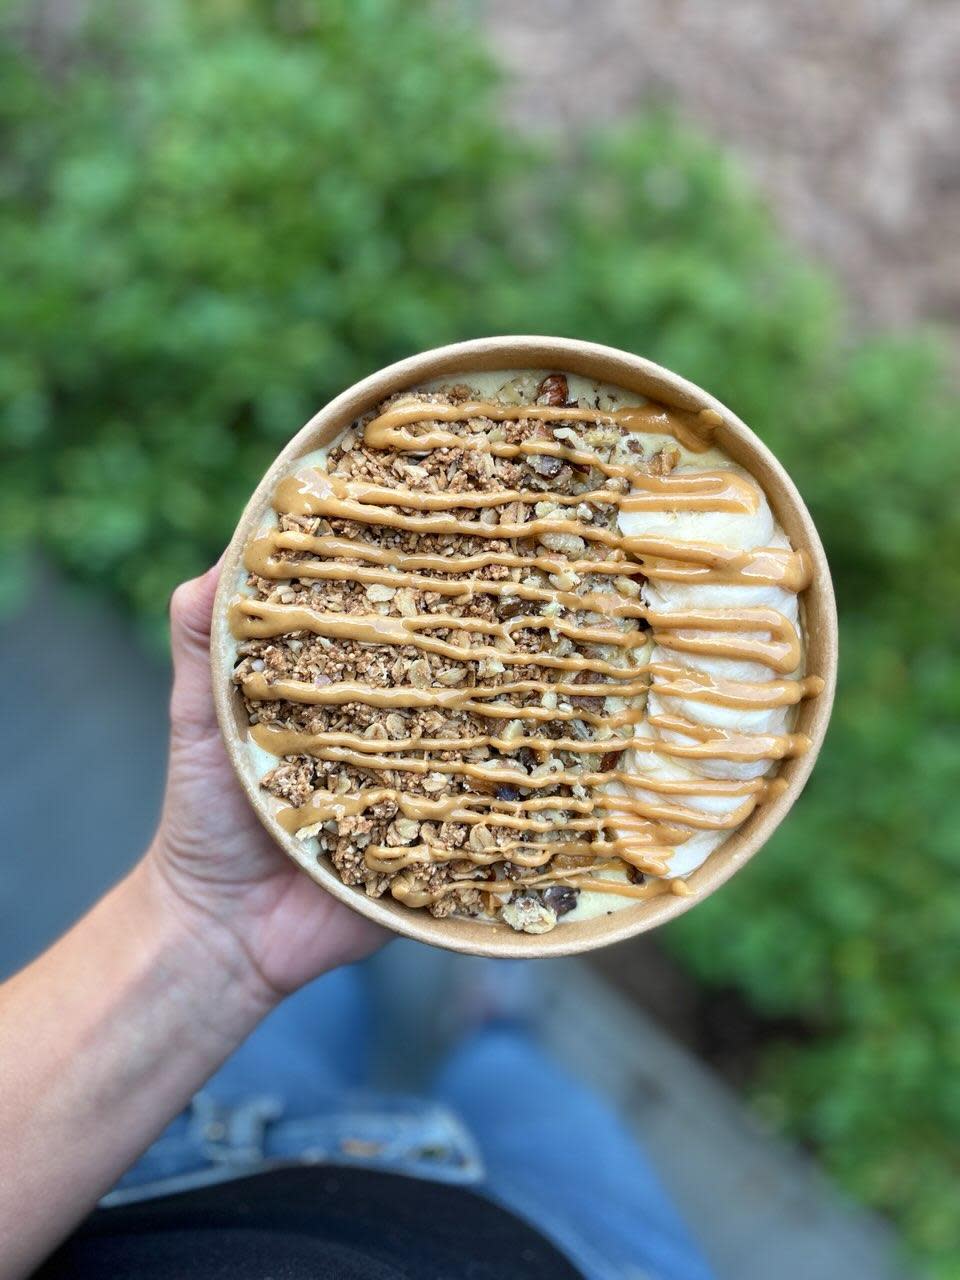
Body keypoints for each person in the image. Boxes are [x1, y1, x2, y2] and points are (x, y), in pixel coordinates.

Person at [0, 563, 715, 1280]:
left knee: (302, 1003)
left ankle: (467, 963)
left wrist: (208, 929)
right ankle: (495, 1021)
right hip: (584, 1253)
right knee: (532, 1092)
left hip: (188, 1158)